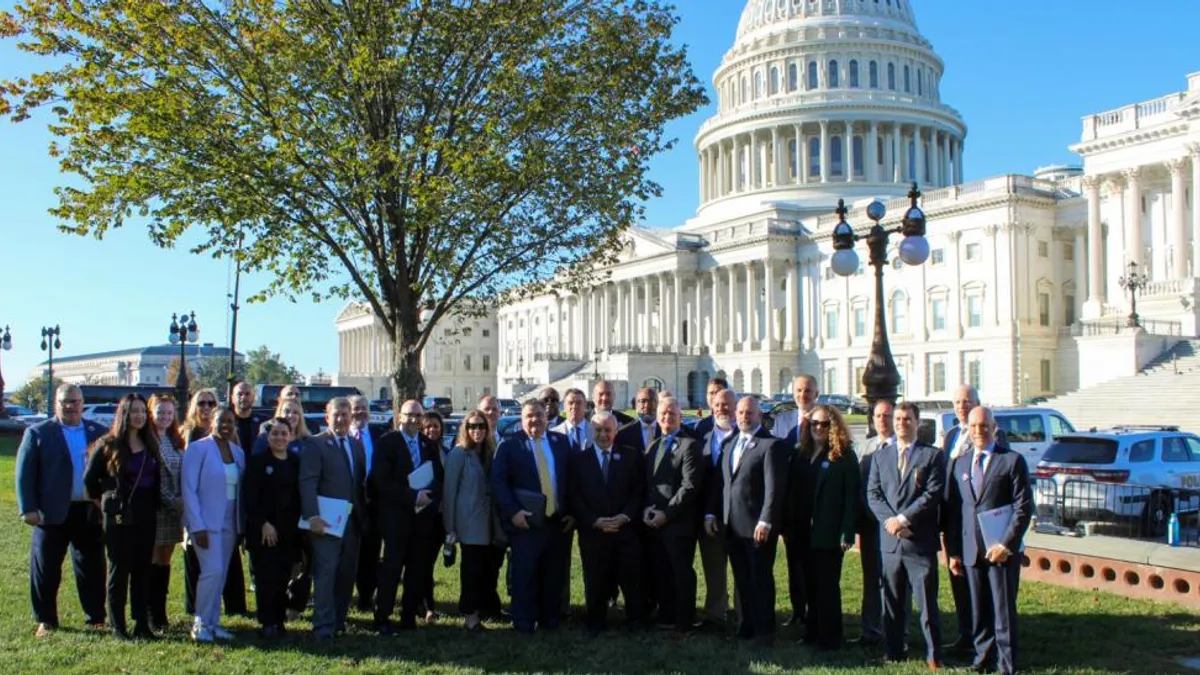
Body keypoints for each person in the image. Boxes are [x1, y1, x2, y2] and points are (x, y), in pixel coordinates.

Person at [944, 407, 1033, 675]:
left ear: (994, 428)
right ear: (967, 429)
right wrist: (955, 552)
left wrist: (1007, 544)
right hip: (972, 550)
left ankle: (1007, 664)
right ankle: (982, 658)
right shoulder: (960, 463)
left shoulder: (1011, 461)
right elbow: (954, 512)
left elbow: (1023, 506)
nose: (979, 432)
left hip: (1001, 551)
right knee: (978, 609)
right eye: (973, 427)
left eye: (984, 426)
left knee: (1003, 611)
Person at [16, 383, 108, 638]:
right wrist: (28, 508)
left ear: (83, 403)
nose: (70, 406)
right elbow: (24, 474)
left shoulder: (98, 432)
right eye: (65, 401)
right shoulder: (38, 433)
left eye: (75, 401)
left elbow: (109, 471)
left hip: (88, 511)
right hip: (50, 512)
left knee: (91, 566)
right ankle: (46, 620)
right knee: (46, 567)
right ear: (56, 403)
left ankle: (96, 618)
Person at [867, 401, 946, 669]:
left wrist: (903, 519)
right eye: (898, 419)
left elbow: (932, 494)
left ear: (917, 422)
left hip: (919, 541)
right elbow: (873, 494)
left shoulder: (931, 456)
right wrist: (890, 521)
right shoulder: (881, 456)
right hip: (890, 542)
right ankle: (893, 650)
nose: (901, 423)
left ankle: (934, 655)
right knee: (892, 601)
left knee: (925, 603)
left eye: (907, 419)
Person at [704, 396, 786, 647]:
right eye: (740, 413)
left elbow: (774, 489)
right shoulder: (730, 444)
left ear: (759, 416)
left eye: (749, 413)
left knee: (760, 580)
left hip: (757, 528)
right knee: (742, 580)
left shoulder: (770, 445)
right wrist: (710, 514)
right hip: (732, 528)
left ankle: (764, 631)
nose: (743, 417)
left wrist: (766, 521)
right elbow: (721, 484)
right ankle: (746, 626)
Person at [82, 393, 161, 640]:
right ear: (124, 414)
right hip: (119, 516)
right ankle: (118, 624)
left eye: (142, 411)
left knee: (142, 569)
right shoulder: (108, 444)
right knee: (120, 568)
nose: (139, 416)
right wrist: (105, 502)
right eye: (134, 411)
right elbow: (89, 480)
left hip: (146, 513)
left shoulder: (150, 442)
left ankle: (141, 624)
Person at [490, 399, 573, 634]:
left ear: (546, 417)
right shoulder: (509, 446)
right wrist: (513, 512)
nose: (534, 420)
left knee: (553, 574)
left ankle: (550, 619)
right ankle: (524, 621)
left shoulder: (561, 442)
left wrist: (571, 513)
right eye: (529, 416)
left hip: (556, 523)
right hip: (525, 523)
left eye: (539, 415)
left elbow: (571, 480)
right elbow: (498, 483)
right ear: (522, 420)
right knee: (525, 575)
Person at [941, 384, 1008, 655]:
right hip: (955, 521)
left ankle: (991, 639)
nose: (961, 406)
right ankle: (966, 633)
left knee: (984, 585)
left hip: (983, 524)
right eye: (957, 402)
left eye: (967, 401)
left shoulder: (995, 436)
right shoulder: (952, 435)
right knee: (958, 576)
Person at [786, 404, 859, 651]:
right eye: (814, 423)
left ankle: (830, 638)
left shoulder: (844, 456)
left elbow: (852, 497)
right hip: (802, 531)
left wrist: (847, 531)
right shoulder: (802, 452)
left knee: (827, 586)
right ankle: (812, 632)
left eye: (824, 424)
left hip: (828, 533)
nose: (818, 428)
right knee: (809, 585)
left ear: (834, 427)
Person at [569, 411, 645, 636]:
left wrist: (625, 517)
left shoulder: (631, 456)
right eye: (598, 430)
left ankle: (635, 621)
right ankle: (596, 621)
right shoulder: (579, 460)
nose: (603, 435)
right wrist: (594, 521)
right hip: (594, 532)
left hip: (625, 530)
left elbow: (638, 491)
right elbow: (574, 496)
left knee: (631, 579)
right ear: (592, 432)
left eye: (608, 430)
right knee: (595, 579)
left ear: (616, 431)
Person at [370, 400, 443, 634]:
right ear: (399, 416)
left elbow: (438, 478)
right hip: (395, 517)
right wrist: (412, 497)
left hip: (422, 519)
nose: (413, 419)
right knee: (391, 569)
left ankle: (408, 615)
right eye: (409, 415)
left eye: (417, 415)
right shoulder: (386, 443)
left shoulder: (428, 444)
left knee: (417, 569)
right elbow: (382, 481)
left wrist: (430, 499)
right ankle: (382, 616)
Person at [300, 397, 368, 641]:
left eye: (345, 414)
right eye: (336, 415)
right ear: (327, 417)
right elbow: (307, 482)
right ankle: (322, 626)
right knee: (326, 573)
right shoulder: (316, 444)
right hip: (325, 522)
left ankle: (339, 620)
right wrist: (312, 516)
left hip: (352, 522)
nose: (341, 419)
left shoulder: (355, 444)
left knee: (346, 573)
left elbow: (359, 483)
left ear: (351, 417)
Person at [181, 407, 245, 643]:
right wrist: (196, 525)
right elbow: (188, 489)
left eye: (230, 421)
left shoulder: (238, 452)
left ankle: (213, 622)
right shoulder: (198, 449)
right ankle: (200, 622)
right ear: (211, 422)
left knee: (222, 573)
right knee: (212, 571)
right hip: (206, 522)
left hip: (231, 520)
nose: (226, 426)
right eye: (221, 421)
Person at [642, 395, 702, 634]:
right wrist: (647, 508)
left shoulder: (689, 445)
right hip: (653, 522)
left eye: (672, 414)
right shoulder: (653, 445)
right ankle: (666, 616)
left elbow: (689, 487)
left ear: (680, 417)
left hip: (678, 523)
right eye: (663, 414)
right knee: (661, 571)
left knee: (681, 573)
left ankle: (684, 620)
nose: (667, 418)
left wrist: (666, 515)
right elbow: (648, 483)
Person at [442, 410, 503, 631]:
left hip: (489, 521)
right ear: (465, 429)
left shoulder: (489, 452)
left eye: (481, 426)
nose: (477, 430)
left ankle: (485, 606)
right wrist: (450, 529)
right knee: (471, 569)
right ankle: (470, 614)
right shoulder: (459, 454)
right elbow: (449, 492)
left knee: (488, 568)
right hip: (468, 522)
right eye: (472, 426)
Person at [243, 417, 301, 638]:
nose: (279, 437)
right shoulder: (258, 462)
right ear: (267, 437)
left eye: (283, 433)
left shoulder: (295, 461)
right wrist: (263, 524)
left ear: (291, 436)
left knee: (283, 577)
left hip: (289, 530)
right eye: (274, 434)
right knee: (266, 577)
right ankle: (267, 622)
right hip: (265, 530)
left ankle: (280, 620)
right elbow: (250, 499)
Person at [774, 374, 819, 628]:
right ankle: (798, 610)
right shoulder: (783, 422)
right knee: (794, 563)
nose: (804, 395)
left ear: (817, 394)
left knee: (815, 562)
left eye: (808, 391)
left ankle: (815, 609)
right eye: (799, 390)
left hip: (816, 504)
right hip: (791, 506)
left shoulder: (825, 421)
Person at [853, 399, 894, 648]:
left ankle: (894, 629)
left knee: (893, 579)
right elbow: (860, 484)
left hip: (894, 526)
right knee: (871, 578)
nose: (882, 420)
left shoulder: (901, 448)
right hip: (869, 524)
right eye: (878, 416)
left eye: (887, 416)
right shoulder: (865, 448)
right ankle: (870, 630)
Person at [697, 387, 737, 629]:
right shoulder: (701, 433)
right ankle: (715, 613)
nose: (722, 408)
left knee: (742, 567)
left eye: (727, 405)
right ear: (712, 406)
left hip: (738, 514)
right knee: (713, 567)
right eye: (718, 404)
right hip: (707, 513)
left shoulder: (746, 434)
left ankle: (744, 614)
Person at [147, 394, 185, 632]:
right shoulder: (149, 440)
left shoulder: (173, 439)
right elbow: (154, 478)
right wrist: (173, 501)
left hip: (173, 512)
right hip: (157, 508)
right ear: (152, 413)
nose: (165, 417)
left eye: (169, 413)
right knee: (152, 561)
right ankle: (151, 613)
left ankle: (161, 613)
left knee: (165, 561)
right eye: (161, 412)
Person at [349, 395, 385, 613]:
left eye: (364, 408)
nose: (360, 412)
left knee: (371, 552)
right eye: (356, 408)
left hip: (374, 502)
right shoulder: (343, 436)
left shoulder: (380, 434)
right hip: (349, 502)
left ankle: (365, 596)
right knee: (349, 551)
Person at [419, 409, 448, 622]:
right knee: (422, 561)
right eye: (427, 426)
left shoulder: (446, 451)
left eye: (435, 426)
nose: (431, 430)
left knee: (429, 560)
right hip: (420, 513)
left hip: (440, 515)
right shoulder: (417, 450)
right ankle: (426, 605)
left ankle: (424, 603)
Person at [617, 387, 660, 457]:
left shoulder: (667, 431)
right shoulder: (623, 433)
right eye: (643, 401)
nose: (647, 405)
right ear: (636, 406)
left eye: (652, 400)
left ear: (658, 404)